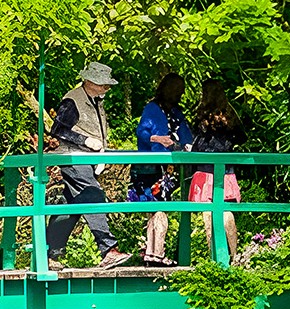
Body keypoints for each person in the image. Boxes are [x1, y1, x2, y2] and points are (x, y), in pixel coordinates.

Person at [47, 62, 132, 269]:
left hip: (85, 158)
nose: (107, 88)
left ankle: (48, 253)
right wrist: (85, 141)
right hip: (73, 157)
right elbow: (57, 130)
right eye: (103, 84)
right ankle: (108, 249)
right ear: (90, 81)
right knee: (93, 194)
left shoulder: (95, 100)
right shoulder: (73, 100)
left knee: (71, 206)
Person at [131, 72, 194, 266]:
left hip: (167, 169)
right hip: (149, 168)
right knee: (158, 208)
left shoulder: (176, 112)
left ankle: (152, 254)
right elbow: (141, 132)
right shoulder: (152, 108)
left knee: (158, 209)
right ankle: (156, 254)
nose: (179, 95)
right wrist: (157, 139)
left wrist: (185, 146)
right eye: (177, 91)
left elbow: (186, 136)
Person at [190, 79, 247, 259]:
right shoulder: (229, 115)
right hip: (226, 171)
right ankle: (234, 254)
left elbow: (196, 142)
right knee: (226, 211)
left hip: (205, 170)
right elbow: (242, 137)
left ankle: (214, 257)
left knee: (208, 213)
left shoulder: (202, 116)